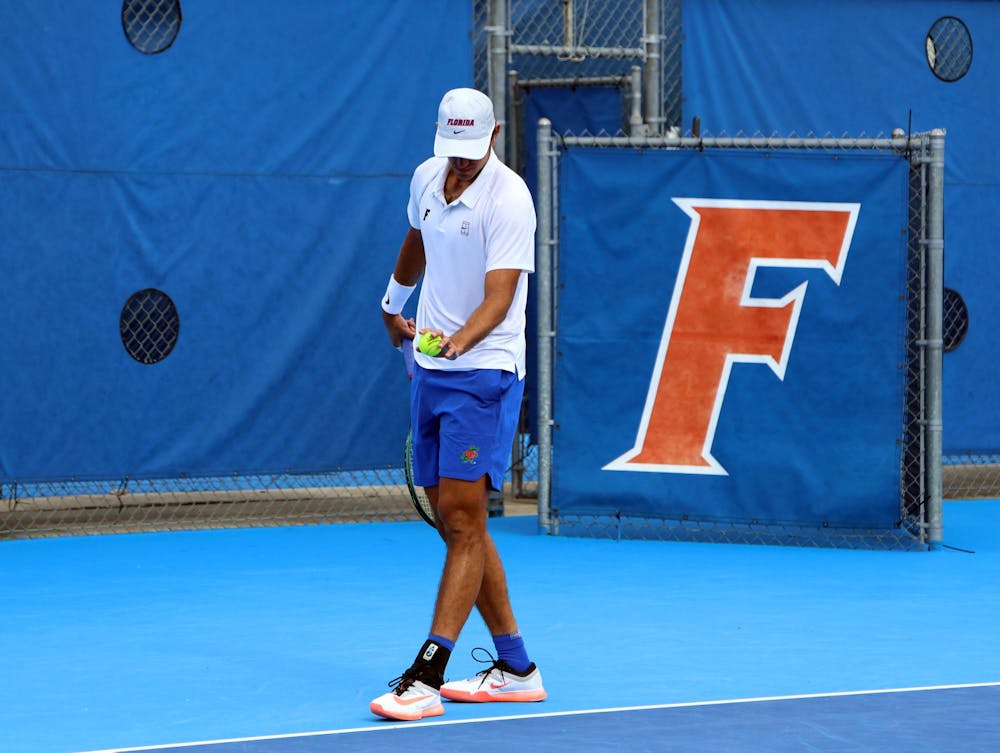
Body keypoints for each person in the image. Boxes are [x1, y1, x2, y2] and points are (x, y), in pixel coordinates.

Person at [370, 88, 546, 721]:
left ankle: (426, 675)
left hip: (485, 372)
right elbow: (417, 239)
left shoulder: (511, 198)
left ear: (494, 136)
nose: (463, 164)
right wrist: (394, 303)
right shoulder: (426, 177)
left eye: (474, 153)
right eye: (455, 153)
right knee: (458, 518)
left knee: (464, 517)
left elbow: (500, 298)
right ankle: (518, 667)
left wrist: (458, 342)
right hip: (434, 366)